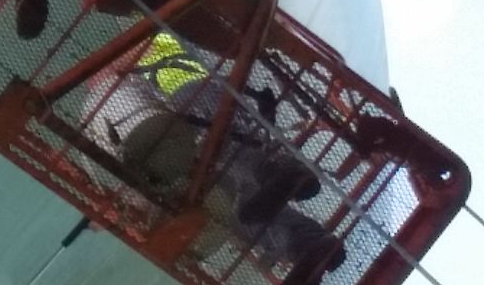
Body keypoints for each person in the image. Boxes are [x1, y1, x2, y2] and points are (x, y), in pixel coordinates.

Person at [83, 32, 347, 284]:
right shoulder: (151, 58)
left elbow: (126, 58)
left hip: (191, 95)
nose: (93, 82)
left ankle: (290, 189)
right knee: (243, 206)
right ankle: (308, 243)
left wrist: (106, 70)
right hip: (207, 99)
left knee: (232, 163)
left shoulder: (148, 40)